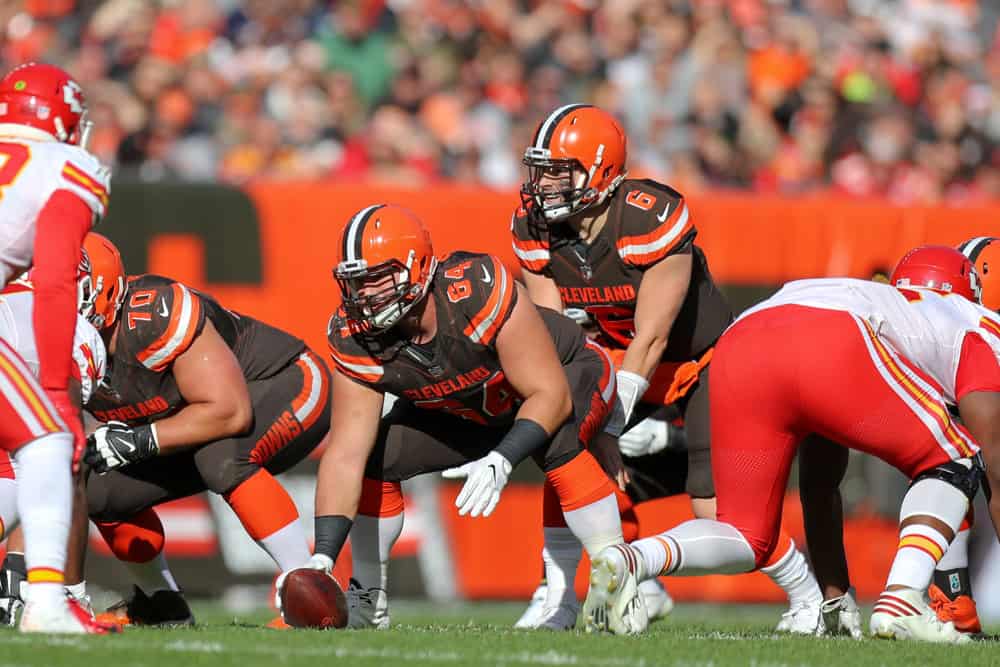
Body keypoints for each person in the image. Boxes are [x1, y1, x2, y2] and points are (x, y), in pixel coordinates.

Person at [585, 247, 1000, 642]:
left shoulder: (876, 302)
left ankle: (631, 560)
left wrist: (836, 599)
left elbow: (820, 487)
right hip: (828, 336)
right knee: (958, 457)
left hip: (743, 338)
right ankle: (902, 598)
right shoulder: (973, 321)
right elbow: (992, 458)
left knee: (748, 535)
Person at [511, 103, 821, 632]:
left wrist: (610, 422)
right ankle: (562, 592)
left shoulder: (648, 215)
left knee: (720, 516)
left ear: (603, 169)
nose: (544, 188)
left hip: (703, 366)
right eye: (540, 173)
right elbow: (556, 341)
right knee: (562, 440)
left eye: (560, 174)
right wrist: (584, 420)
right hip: (617, 361)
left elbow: (653, 336)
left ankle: (809, 597)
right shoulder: (535, 229)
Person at [278, 204, 631, 631]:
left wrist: (503, 458)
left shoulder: (475, 291)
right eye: (356, 282)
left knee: (558, 439)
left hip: (568, 374)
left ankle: (614, 583)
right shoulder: (355, 334)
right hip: (474, 410)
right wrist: (323, 556)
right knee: (376, 455)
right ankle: (367, 596)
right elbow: (345, 454)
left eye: (376, 278)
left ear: (419, 267)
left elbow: (550, 395)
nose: (365, 294)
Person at [78, 232, 331, 625]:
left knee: (221, 454)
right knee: (93, 485)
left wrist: (141, 439)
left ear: (102, 290)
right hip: (193, 422)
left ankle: (309, 592)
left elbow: (229, 412)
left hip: (287, 382)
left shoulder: (152, 316)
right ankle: (163, 606)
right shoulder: (49, 344)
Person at [801, 242, 1000, 638]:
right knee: (952, 464)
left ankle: (934, 604)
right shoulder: (966, 330)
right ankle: (927, 601)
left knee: (950, 463)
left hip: (802, 351)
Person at [0, 62, 112, 634]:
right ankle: (46, 605)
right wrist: (52, 390)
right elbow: (54, 277)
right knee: (46, 437)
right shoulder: (67, 165)